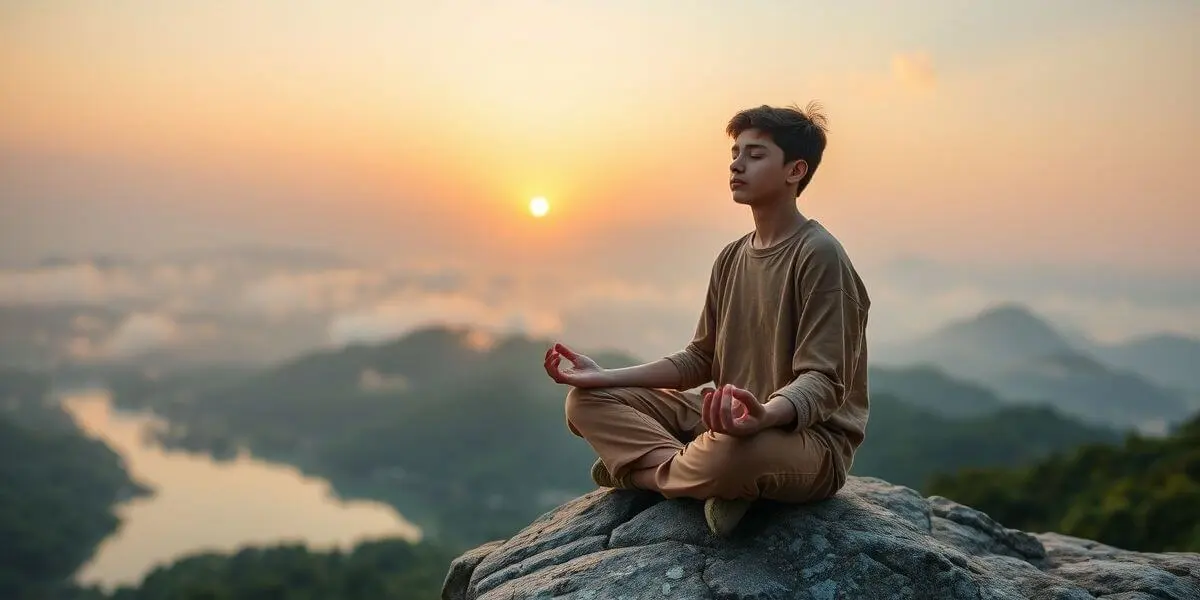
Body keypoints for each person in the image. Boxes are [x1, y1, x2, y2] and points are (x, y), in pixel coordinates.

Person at [543, 103, 870, 537]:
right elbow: (698, 359)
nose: (737, 164)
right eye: (735, 153)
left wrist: (765, 415)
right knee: (585, 403)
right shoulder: (732, 257)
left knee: (733, 455)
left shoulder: (819, 256)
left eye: (755, 155)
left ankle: (645, 472)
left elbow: (824, 381)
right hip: (724, 419)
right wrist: (604, 377)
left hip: (804, 440)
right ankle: (702, 480)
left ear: (796, 170)